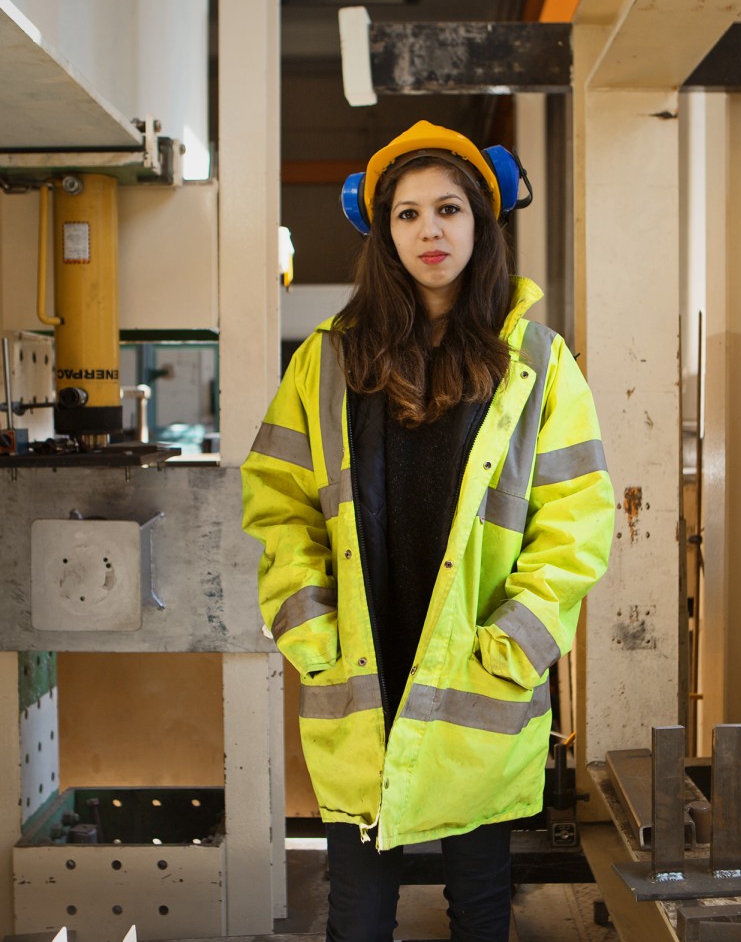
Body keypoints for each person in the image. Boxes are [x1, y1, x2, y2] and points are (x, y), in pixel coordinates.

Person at [241, 120, 615, 941]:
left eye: (448, 208)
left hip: (477, 674)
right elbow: (278, 501)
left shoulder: (541, 363)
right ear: (383, 234)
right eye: (406, 215)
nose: (429, 230)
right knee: (359, 909)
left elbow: (577, 519)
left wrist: (517, 640)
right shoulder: (329, 360)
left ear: (481, 222)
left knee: (481, 904)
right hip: (363, 664)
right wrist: (310, 626)